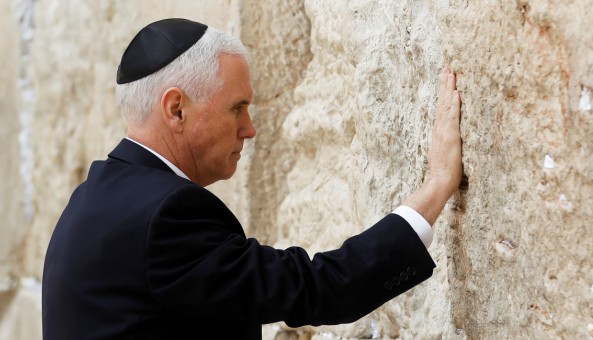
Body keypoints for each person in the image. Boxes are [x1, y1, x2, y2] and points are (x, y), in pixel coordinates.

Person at [42, 18, 462, 339]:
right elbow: (313, 288)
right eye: (236, 108)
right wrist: (437, 186)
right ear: (176, 109)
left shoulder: (92, 199)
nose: (250, 129)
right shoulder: (166, 216)